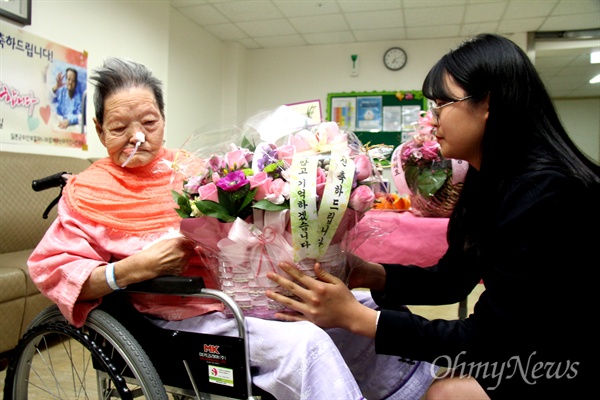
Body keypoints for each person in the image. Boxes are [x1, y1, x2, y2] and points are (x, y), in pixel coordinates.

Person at [28, 57, 436, 400]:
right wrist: (136, 267)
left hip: (246, 294)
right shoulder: (87, 191)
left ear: (164, 120)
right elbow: (51, 270)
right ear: (99, 130)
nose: (137, 137)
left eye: (149, 122)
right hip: (181, 316)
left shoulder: (192, 168)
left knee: (360, 310)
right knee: (306, 344)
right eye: (119, 128)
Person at [265, 33, 599, 399]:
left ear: (489, 103)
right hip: (523, 345)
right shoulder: (488, 178)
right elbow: (453, 279)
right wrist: (367, 272)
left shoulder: (546, 194)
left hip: (561, 363)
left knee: (439, 394)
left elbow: (491, 341)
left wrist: (358, 319)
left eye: (442, 105)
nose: (432, 120)